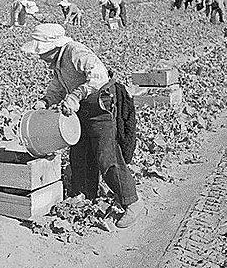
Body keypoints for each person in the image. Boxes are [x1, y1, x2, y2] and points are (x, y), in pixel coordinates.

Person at [21, 23, 143, 228]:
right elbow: (59, 86)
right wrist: (45, 101)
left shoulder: (75, 51)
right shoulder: (58, 62)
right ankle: (85, 196)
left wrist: (75, 96)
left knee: (107, 157)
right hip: (82, 110)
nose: (39, 56)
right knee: (80, 154)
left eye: (40, 50)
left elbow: (99, 76)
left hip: (100, 107)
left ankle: (132, 203)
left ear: (52, 46)